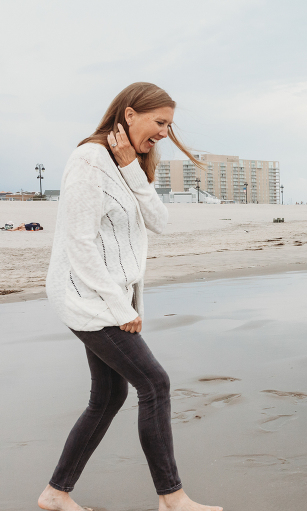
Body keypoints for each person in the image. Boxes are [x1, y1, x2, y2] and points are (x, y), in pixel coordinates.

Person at [40, 83, 222, 511]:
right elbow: (79, 243)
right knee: (154, 383)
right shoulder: (87, 160)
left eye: (169, 125)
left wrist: (132, 169)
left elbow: (160, 221)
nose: (163, 132)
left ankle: (55, 492)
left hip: (108, 296)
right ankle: (172, 497)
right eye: (159, 122)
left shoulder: (124, 162)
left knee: (109, 396)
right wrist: (121, 309)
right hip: (89, 297)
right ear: (129, 113)